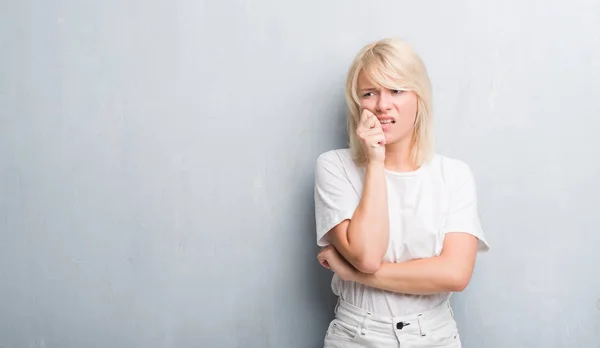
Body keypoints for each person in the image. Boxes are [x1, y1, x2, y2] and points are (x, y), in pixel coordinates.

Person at [313, 37, 490, 348]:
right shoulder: (334, 167)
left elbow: (455, 274)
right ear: (358, 104)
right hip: (357, 335)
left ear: (418, 98)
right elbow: (367, 256)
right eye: (370, 93)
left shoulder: (454, 175)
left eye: (396, 90)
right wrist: (375, 160)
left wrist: (354, 275)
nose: (382, 105)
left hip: (434, 336)